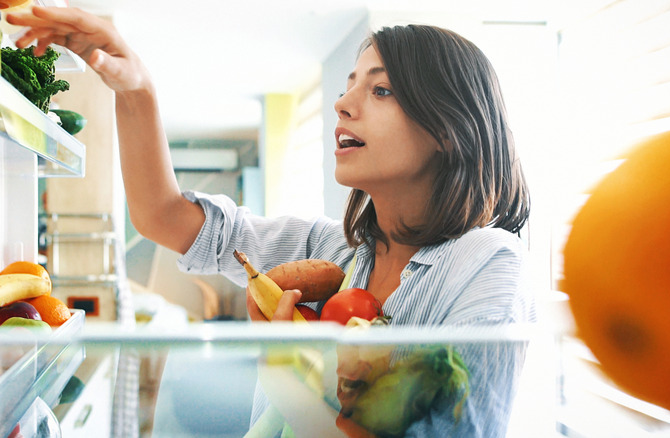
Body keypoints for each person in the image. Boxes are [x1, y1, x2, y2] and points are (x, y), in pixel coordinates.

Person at [8, 6, 534, 437]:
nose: (343, 102)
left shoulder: (487, 263)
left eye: (381, 90)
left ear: (449, 127)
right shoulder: (333, 250)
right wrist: (134, 84)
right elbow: (162, 216)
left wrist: (283, 371)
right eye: (350, 84)